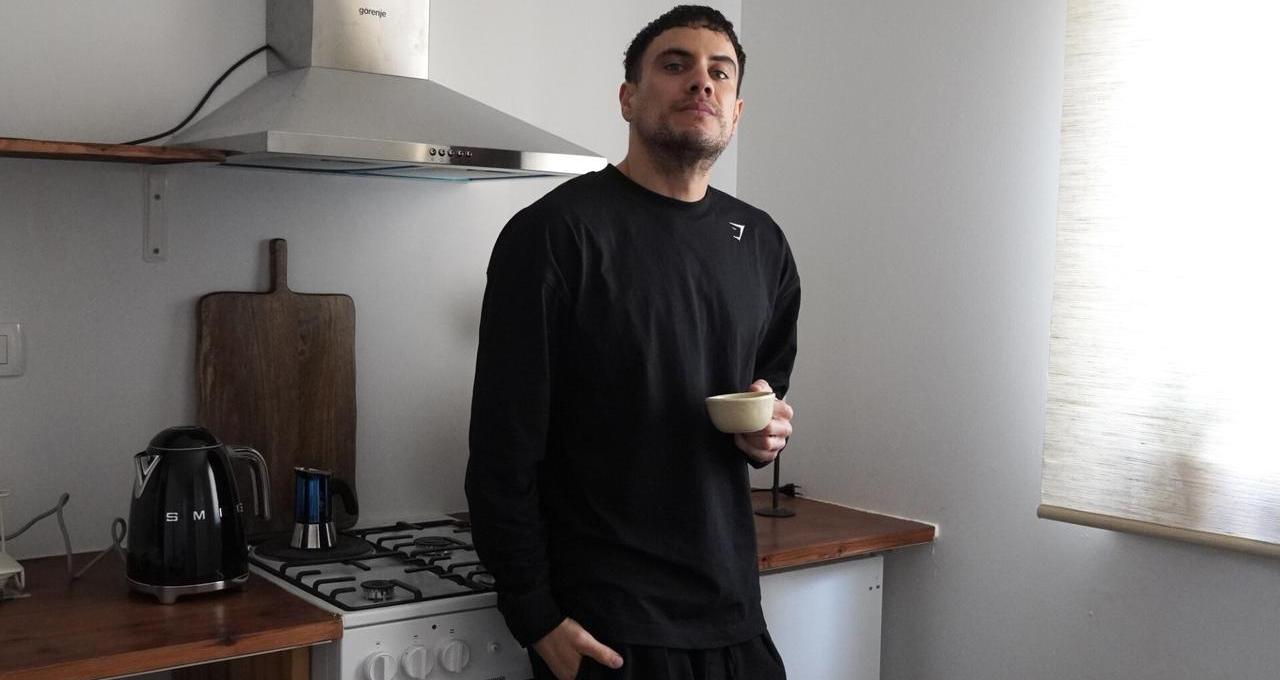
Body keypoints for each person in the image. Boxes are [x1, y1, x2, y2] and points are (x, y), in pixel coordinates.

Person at [466, 5, 799, 679]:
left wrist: (765, 436)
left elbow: (765, 393)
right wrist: (535, 615)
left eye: (720, 73)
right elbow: (503, 449)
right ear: (627, 98)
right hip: (608, 626)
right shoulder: (553, 235)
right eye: (675, 65)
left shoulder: (762, 243)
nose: (701, 82)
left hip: (733, 609)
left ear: (736, 111)